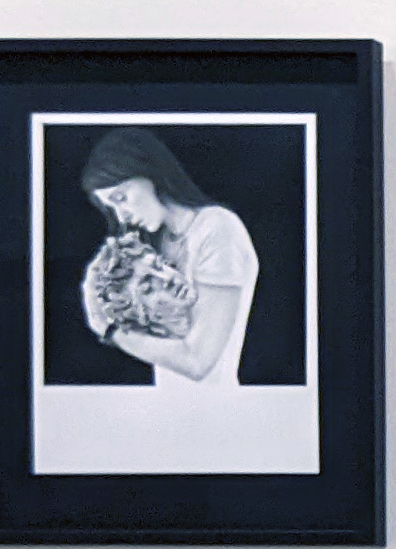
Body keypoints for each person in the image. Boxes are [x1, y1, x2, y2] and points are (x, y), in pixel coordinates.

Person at [75, 127, 259, 390]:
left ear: (150, 173)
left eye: (121, 198)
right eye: (111, 208)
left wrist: (110, 331)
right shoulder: (152, 245)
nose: (122, 217)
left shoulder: (218, 229)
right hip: (164, 401)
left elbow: (197, 362)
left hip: (216, 403)